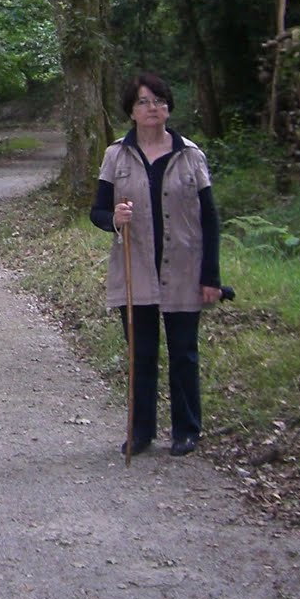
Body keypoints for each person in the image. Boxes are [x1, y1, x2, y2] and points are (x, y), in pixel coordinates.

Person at [89, 73, 221, 457]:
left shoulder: (191, 154)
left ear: (169, 107)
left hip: (183, 267)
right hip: (136, 269)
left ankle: (186, 430)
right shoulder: (116, 155)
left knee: (184, 352)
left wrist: (210, 275)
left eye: (159, 101)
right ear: (131, 110)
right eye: (144, 102)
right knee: (141, 354)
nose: (153, 108)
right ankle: (141, 431)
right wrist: (115, 217)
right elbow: (96, 212)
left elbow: (210, 219)